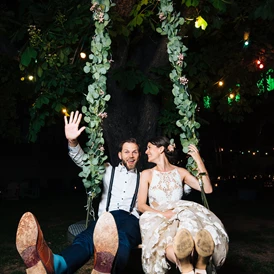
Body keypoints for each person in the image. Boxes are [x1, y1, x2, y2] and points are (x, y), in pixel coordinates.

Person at [16, 110, 142, 274]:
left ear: (139, 155)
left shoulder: (145, 177)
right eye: (127, 151)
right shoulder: (107, 170)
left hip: (130, 220)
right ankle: (57, 265)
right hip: (106, 219)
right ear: (119, 155)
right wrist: (73, 141)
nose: (130, 155)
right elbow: (83, 161)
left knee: (122, 239)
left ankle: (108, 270)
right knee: (85, 239)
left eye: (134, 151)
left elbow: (172, 190)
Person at [137, 136, 229, 274]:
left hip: (180, 213)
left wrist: (198, 159)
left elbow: (208, 189)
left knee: (188, 235)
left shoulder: (181, 172)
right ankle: (189, 265)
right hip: (158, 216)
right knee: (166, 241)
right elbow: (141, 205)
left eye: (149, 147)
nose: (146, 151)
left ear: (161, 149)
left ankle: (197, 263)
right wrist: (163, 214)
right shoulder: (147, 174)